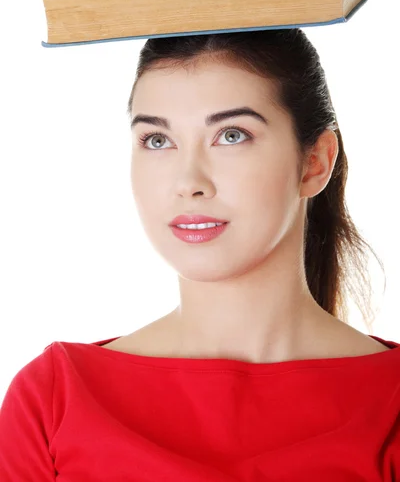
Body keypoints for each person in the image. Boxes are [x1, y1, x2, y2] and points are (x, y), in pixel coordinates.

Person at [1, 29, 399, 480]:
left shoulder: (392, 403)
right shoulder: (56, 399)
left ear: (315, 162)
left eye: (231, 135)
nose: (188, 181)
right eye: (156, 140)